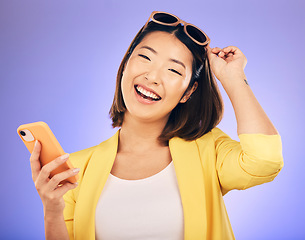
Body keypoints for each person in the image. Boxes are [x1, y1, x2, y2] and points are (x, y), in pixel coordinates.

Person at [29, 11, 284, 240]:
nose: (153, 77)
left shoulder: (209, 149)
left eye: (174, 71)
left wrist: (234, 78)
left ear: (188, 92)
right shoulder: (76, 169)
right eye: (144, 58)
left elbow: (265, 161)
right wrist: (51, 210)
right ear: (126, 64)